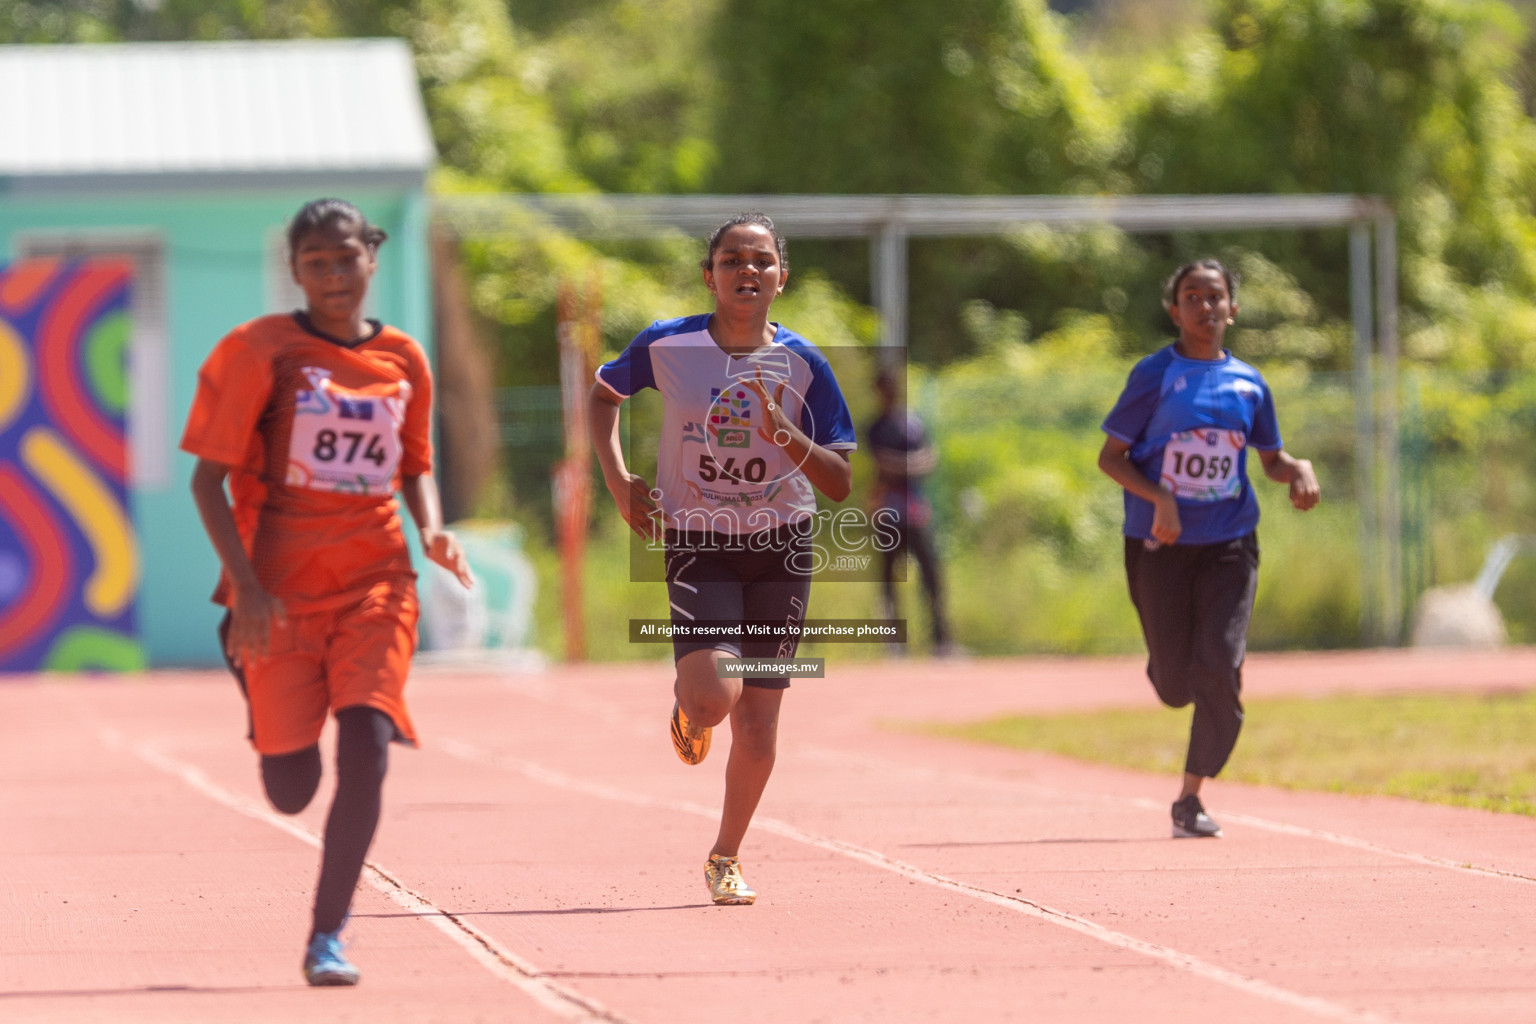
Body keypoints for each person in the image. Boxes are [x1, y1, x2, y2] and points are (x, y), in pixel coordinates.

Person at [182, 198, 474, 985]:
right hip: (275, 590)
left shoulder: (405, 358)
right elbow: (206, 480)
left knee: (368, 746)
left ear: (372, 257)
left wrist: (433, 528)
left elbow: (415, 464)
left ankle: (327, 935)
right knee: (290, 788)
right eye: (318, 263)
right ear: (296, 270)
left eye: (347, 259)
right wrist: (243, 589)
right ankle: (254, 677)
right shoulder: (263, 350)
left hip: (376, 578)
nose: (335, 276)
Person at [588, 212, 856, 905]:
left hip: (782, 547)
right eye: (733, 260)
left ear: (781, 279)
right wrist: (619, 483)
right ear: (709, 276)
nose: (748, 271)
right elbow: (602, 397)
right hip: (697, 540)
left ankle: (725, 855)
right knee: (713, 699)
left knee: (760, 725)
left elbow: (840, 481)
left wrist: (786, 435)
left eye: (762, 261)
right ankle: (691, 705)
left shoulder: (805, 364)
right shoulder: (667, 345)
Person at [1096, 259, 1319, 839]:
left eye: (1215, 297)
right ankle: (1173, 666)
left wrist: (1297, 470)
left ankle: (1190, 798)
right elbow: (1110, 458)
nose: (1205, 307)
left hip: (1229, 541)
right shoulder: (1154, 374)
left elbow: (1270, 460)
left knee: (1219, 667)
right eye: (1192, 297)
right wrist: (1161, 497)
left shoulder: (1250, 382)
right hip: (1159, 544)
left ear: (1233, 309)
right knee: (1176, 686)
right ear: (1175, 310)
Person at [866, 368, 953, 655]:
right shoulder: (875, 427)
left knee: (932, 576)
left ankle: (941, 641)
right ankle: (894, 644)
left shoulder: (913, 423)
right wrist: (910, 464)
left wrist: (901, 465)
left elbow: (930, 459)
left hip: (916, 511)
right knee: (889, 580)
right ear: (878, 391)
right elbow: (882, 464)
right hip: (888, 513)